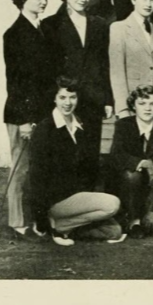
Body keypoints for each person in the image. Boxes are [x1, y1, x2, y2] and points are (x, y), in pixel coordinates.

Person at [29, 77, 123, 246]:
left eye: (73, 97)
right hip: (55, 200)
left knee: (114, 232)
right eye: (62, 97)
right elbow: (37, 177)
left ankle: (67, 226)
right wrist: (41, 217)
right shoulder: (45, 129)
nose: (68, 103)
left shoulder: (80, 126)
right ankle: (56, 226)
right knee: (112, 204)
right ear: (54, 99)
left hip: (76, 198)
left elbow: (87, 170)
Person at [3, 0, 57, 240]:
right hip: (21, 114)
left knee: (37, 169)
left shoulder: (42, 30)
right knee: (21, 169)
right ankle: (17, 222)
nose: (44, 1)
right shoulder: (14, 35)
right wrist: (24, 120)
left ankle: (36, 220)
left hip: (42, 112)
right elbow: (16, 83)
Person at [41, 0, 114, 156]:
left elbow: (104, 63)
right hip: (64, 100)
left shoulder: (100, 25)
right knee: (63, 155)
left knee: (89, 156)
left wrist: (107, 99)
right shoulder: (50, 25)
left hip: (92, 100)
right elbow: (47, 67)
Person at [109, 85, 153, 238]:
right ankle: (132, 219)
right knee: (133, 175)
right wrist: (143, 163)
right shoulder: (123, 126)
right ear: (134, 105)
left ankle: (145, 216)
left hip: (151, 191)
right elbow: (116, 155)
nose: (147, 109)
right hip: (128, 189)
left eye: (152, 104)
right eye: (142, 104)